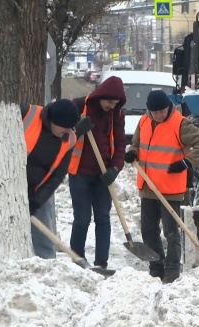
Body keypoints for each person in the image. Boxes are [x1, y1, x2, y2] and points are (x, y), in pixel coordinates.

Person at [124, 90, 199, 283]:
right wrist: (132, 152)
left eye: (161, 111)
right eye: (154, 112)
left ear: (168, 107)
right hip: (148, 186)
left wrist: (186, 163)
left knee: (171, 232)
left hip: (170, 188)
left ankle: (172, 269)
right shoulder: (144, 122)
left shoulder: (179, 124)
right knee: (148, 230)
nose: (158, 115)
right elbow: (136, 143)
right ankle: (156, 266)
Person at [68, 75, 127, 269]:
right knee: (82, 218)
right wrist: (76, 129)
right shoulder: (79, 106)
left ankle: (101, 262)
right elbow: (60, 135)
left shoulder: (117, 114)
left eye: (115, 103)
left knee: (103, 217)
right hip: (79, 173)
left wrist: (115, 169)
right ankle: (77, 259)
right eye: (110, 102)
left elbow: (120, 146)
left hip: (104, 175)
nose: (112, 106)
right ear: (101, 95)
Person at [23, 99, 92, 259]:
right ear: (53, 120)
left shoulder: (69, 139)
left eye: (71, 127)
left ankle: (48, 264)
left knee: (43, 229)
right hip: (6, 186)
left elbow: (58, 175)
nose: (68, 131)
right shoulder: (28, 114)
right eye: (65, 127)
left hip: (36, 191)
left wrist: (37, 200)